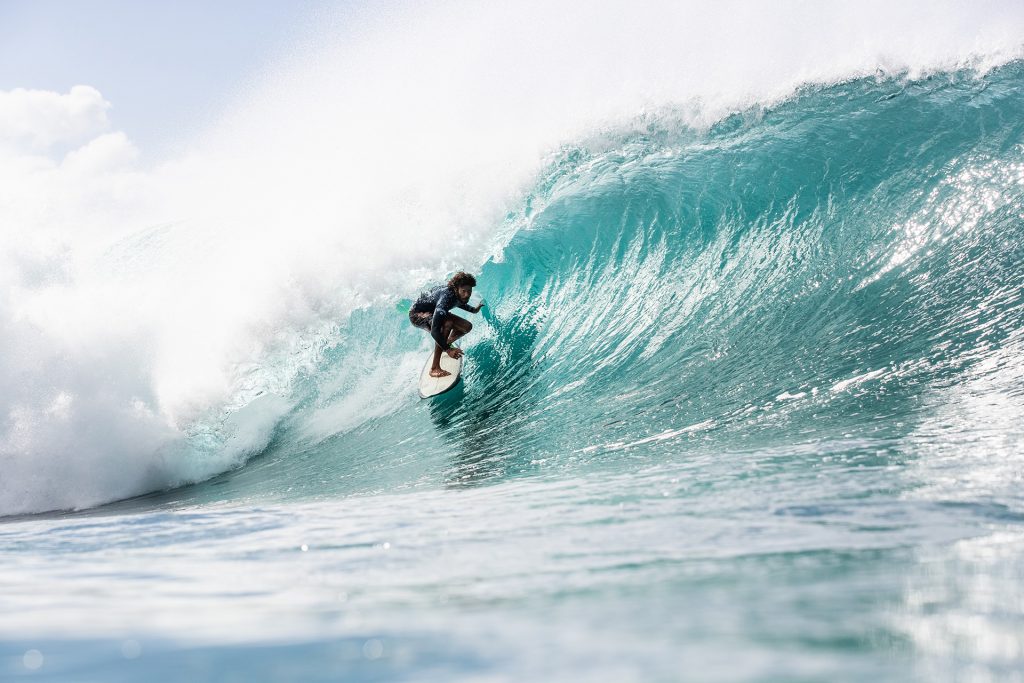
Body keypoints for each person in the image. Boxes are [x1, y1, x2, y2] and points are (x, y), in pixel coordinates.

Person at [408, 272, 484, 378]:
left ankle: (444, 344)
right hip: (418, 315)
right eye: (464, 291)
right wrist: (449, 350)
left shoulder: (456, 294)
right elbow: (435, 330)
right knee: (446, 324)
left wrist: (474, 310)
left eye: (469, 291)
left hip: (433, 310)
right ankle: (434, 368)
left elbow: (458, 302)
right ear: (456, 288)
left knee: (467, 327)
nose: (467, 294)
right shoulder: (446, 297)